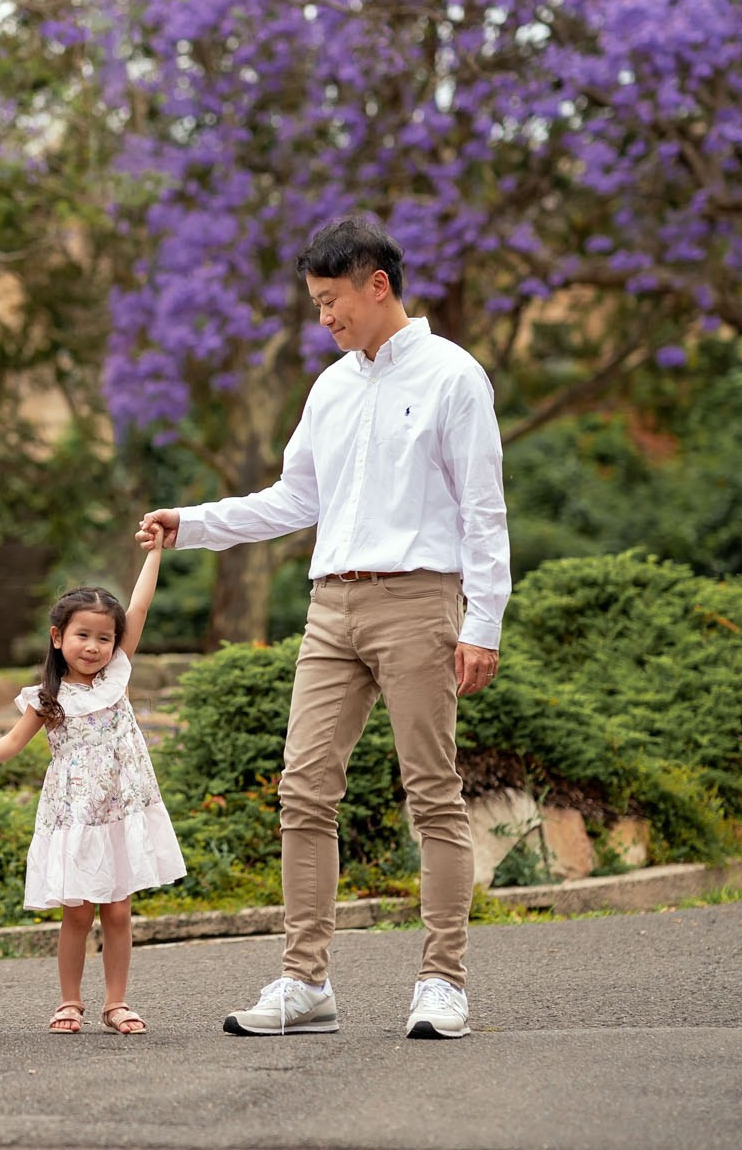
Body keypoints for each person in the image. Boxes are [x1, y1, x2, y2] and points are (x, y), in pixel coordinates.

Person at [140, 216, 510, 1041]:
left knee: (432, 794)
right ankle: (305, 981)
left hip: (419, 600)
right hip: (329, 607)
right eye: (314, 303)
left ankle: (442, 981)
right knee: (303, 790)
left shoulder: (454, 376)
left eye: (331, 300)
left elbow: (485, 511)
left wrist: (482, 621)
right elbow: (294, 499)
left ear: (378, 284)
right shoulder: (331, 387)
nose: (324, 318)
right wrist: (190, 522)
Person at [0, 546, 186, 1036]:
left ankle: (116, 1003)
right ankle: (70, 1002)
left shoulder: (116, 678)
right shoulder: (48, 699)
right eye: (83, 635)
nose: (94, 647)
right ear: (58, 638)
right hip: (76, 815)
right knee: (78, 913)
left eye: (105, 638)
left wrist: (155, 552)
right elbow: (14, 741)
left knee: (119, 911)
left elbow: (139, 606)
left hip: (122, 810)